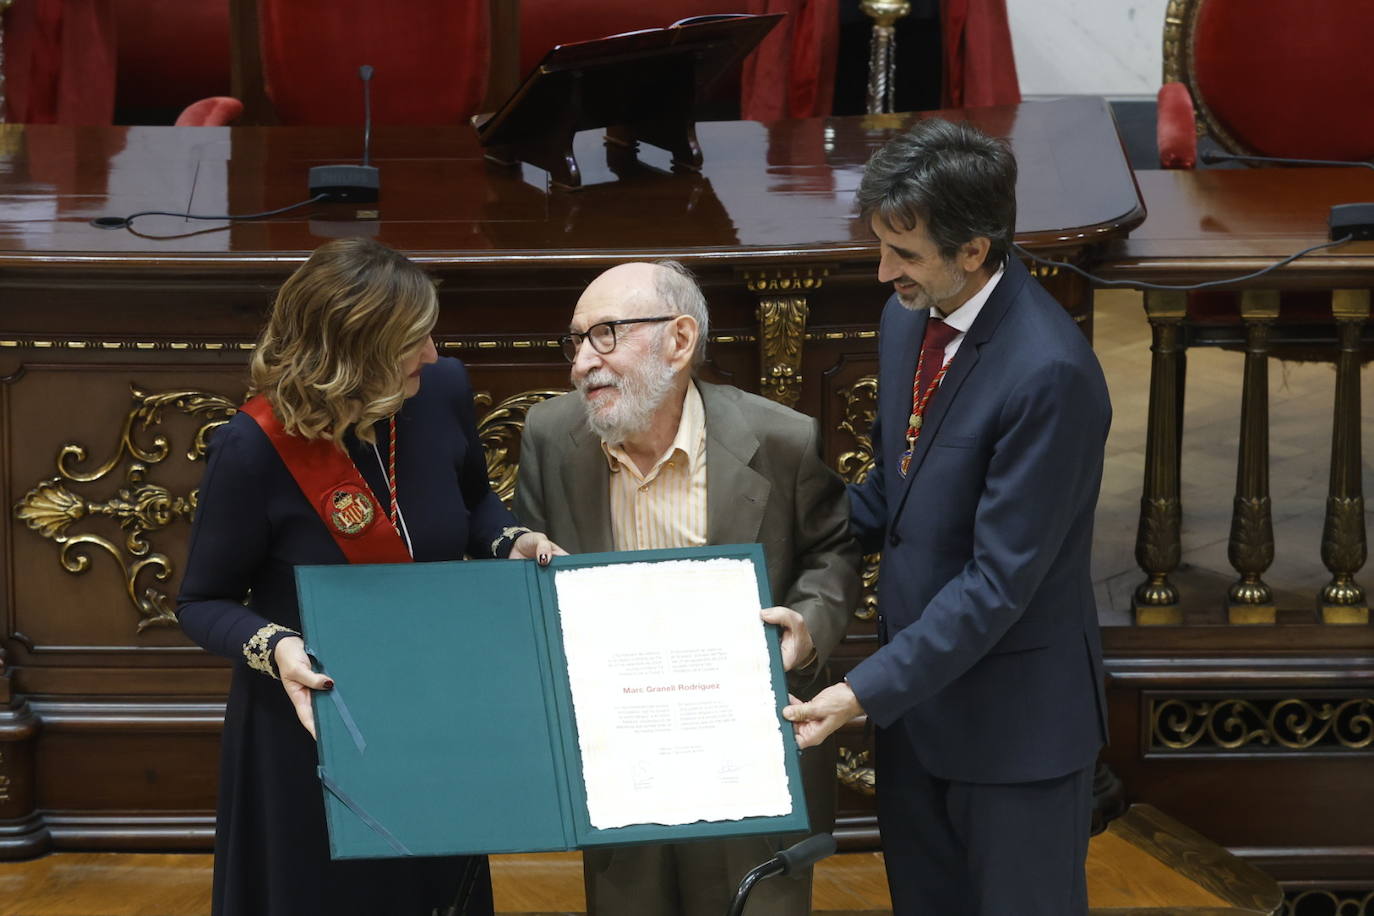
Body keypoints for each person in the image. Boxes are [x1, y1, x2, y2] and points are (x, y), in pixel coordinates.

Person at [782, 118, 1112, 914]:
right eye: (881, 244)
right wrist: (760, 550)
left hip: (1015, 738)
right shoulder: (909, 318)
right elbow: (894, 500)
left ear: (975, 250)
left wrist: (861, 691)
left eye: (906, 252)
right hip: (921, 720)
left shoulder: (1049, 375)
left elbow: (999, 582)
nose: (882, 270)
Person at [178, 238, 562, 916]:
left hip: (435, 709)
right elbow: (200, 601)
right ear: (350, 357)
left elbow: (474, 501)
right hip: (315, 726)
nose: (433, 354)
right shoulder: (252, 447)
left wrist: (513, 538)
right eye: (412, 342)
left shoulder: (441, 390)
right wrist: (278, 648)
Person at [514, 260, 859, 916]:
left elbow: (831, 555)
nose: (582, 361)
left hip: (745, 747)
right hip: (619, 751)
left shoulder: (779, 440)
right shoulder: (551, 437)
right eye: (577, 341)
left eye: (606, 335)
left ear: (679, 340)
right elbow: (528, 570)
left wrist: (807, 625)